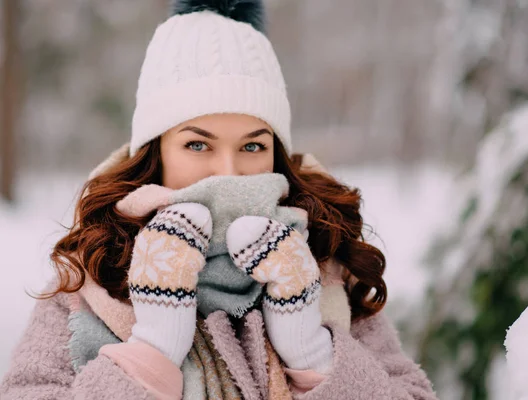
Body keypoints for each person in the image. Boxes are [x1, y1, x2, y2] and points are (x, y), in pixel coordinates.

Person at [0, 1, 438, 399]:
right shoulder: (91, 272)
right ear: (156, 152)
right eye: (197, 145)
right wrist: (149, 357)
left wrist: (314, 356)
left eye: (252, 147)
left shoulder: (325, 260)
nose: (228, 173)